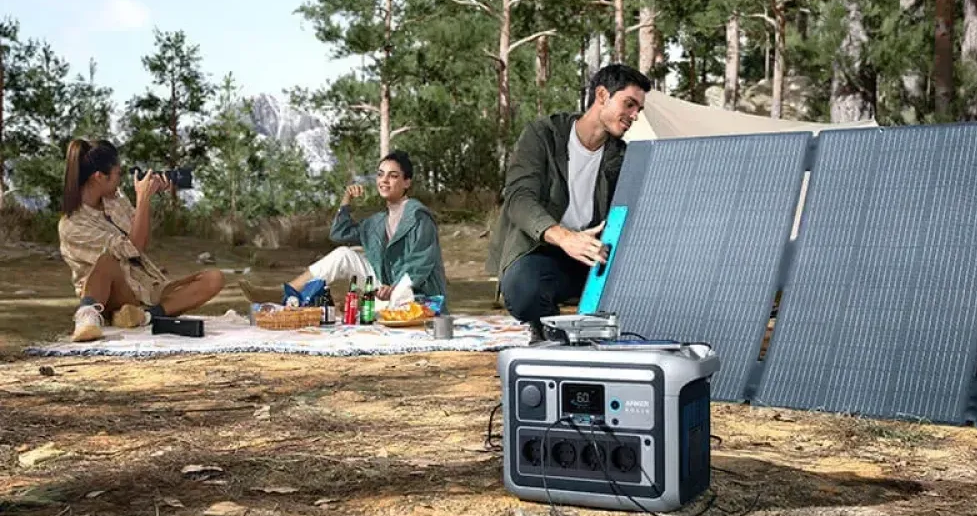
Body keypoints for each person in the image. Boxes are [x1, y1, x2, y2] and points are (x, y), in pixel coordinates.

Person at [487, 63, 650, 341]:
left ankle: (608, 341)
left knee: (647, 285)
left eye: (638, 109)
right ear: (602, 96)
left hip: (593, 253)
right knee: (523, 289)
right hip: (543, 249)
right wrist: (565, 238)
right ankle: (550, 337)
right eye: (629, 104)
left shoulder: (622, 156)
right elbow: (518, 198)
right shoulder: (543, 136)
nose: (634, 116)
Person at [59, 139, 226, 343]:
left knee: (214, 278)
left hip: (149, 289)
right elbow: (131, 248)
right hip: (114, 293)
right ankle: (87, 318)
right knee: (106, 262)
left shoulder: (115, 200)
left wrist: (148, 198)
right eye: (117, 174)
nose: (120, 181)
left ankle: (145, 316)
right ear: (99, 177)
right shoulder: (73, 225)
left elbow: (142, 241)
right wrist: (142, 198)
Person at [241, 150, 448, 309]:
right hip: (386, 287)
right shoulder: (376, 222)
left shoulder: (418, 216)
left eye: (393, 176)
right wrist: (346, 199)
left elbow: (420, 264)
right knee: (342, 255)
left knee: (389, 303)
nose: (384, 180)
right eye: (380, 174)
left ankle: (362, 307)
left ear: (406, 182)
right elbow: (339, 234)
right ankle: (285, 293)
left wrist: (393, 288)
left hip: (415, 291)